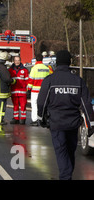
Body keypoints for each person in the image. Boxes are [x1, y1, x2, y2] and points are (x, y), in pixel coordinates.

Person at [37, 50, 94, 180]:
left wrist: (41, 118)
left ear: (56, 63)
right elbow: (86, 104)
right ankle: (66, 175)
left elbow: (41, 102)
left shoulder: (49, 80)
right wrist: (91, 124)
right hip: (73, 123)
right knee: (70, 151)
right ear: (69, 62)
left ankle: (65, 177)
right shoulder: (78, 81)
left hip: (56, 123)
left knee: (61, 151)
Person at [27, 52, 53, 126]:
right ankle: (43, 118)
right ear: (42, 59)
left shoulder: (34, 68)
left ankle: (35, 120)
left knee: (34, 104)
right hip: (44, 90)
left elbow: (31, 80)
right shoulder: (47, 68)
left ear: (36, 60)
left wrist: (29, 89)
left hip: (35, 90)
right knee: (44, 104)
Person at [8, 55, 29, 124]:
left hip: (22, 92)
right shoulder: (10, 70)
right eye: (16, 60)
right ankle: (16, 118)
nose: (17, 62)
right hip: (14, 91)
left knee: (23, 106)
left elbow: (27, 81)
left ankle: (23, 119)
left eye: (18, 60)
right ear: (13, 61)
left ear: (20, 61)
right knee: (15, 106)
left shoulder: (25, 70)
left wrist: (28, 90)